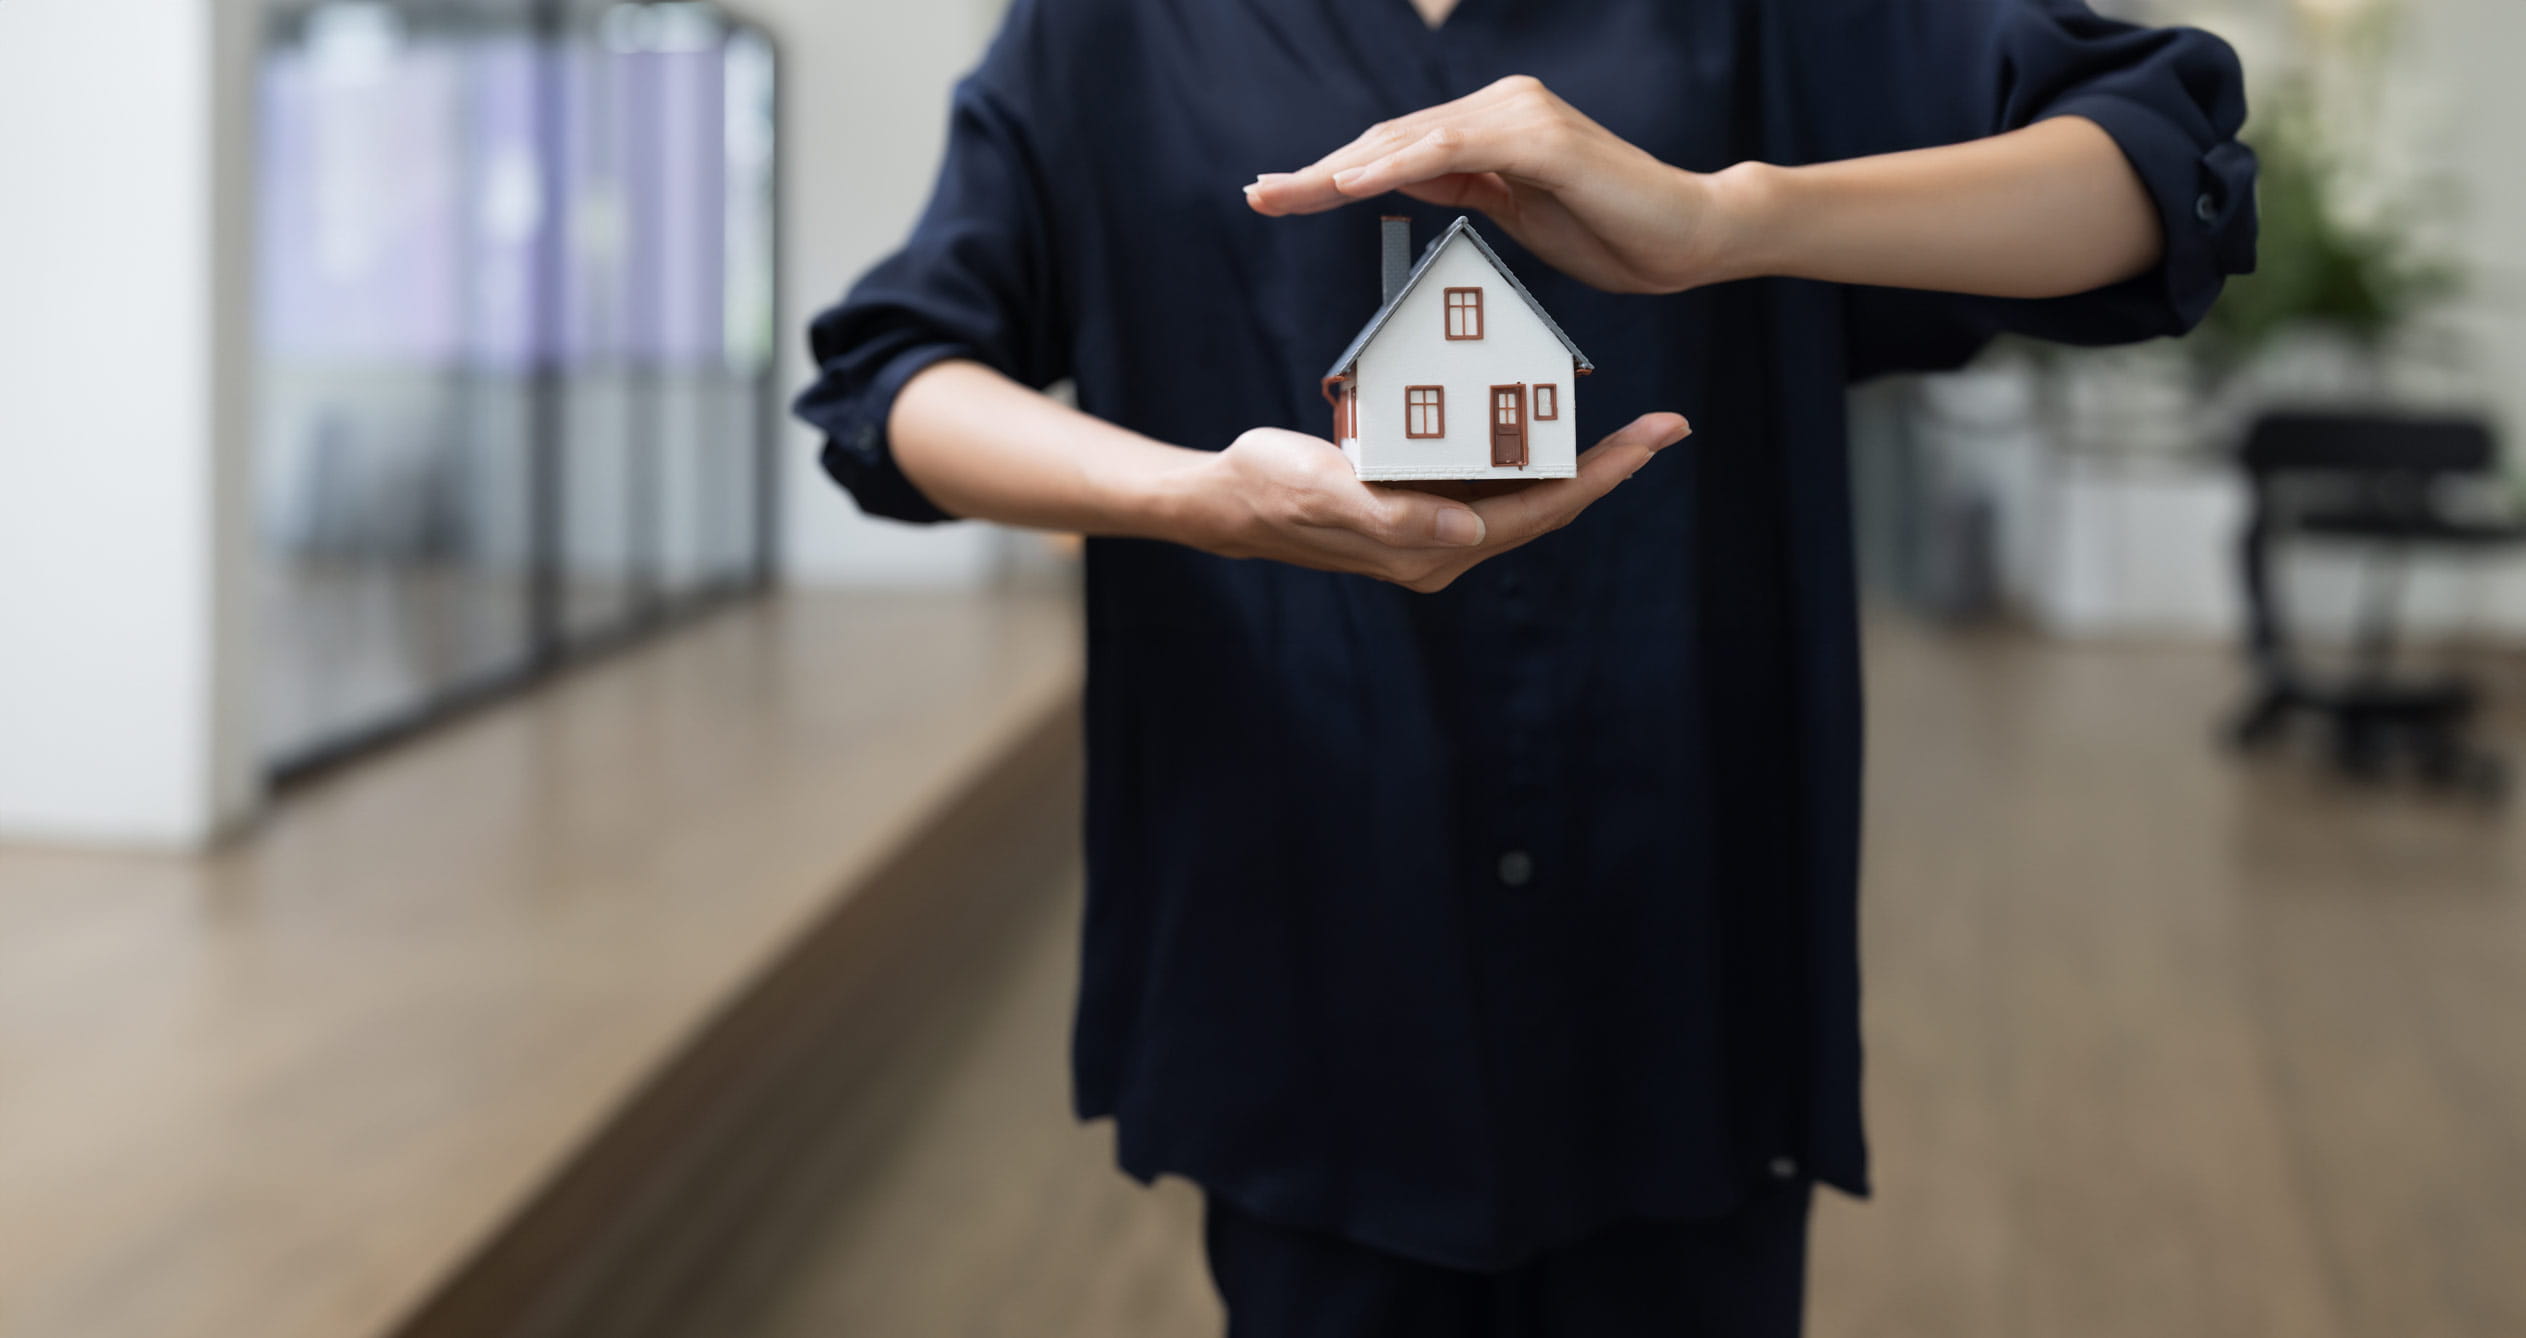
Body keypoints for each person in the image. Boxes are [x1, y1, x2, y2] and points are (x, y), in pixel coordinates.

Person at [797, 0, 2255, 1332]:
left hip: (1679, 948)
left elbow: (2157, 163)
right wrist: (1194, 497)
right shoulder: (1111, 27)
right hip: (1302, 943)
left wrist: (1724, 218)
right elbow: (890, 377)